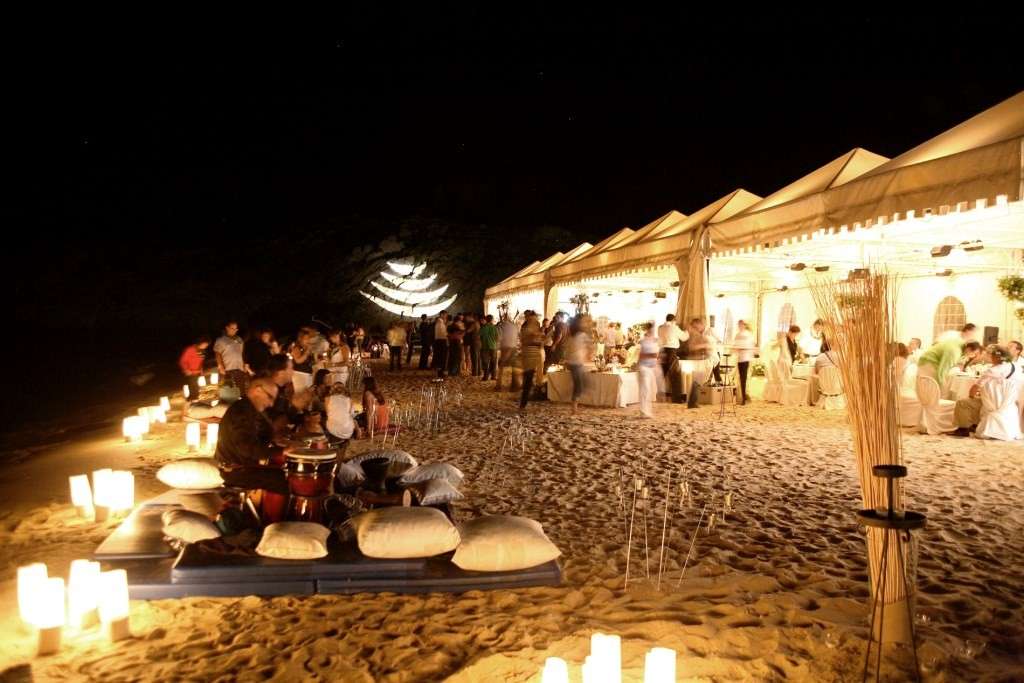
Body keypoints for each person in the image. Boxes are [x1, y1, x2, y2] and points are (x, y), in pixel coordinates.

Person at [214, 377, 288, 494]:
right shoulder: (241, 412)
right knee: (285, 479)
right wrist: (282, 451)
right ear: (258, 390)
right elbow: (248, 449)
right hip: (234, 471)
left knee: (282, 471)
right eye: (270, 397)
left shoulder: (247, 408)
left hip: (240, 467)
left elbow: (255, 439)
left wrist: (275, 438)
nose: (271, 403)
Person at [952, 345, 1017, 436]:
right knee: (979, 399)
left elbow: (975, 388)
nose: (989, 357)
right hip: (1007, 404)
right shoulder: (1013, 366)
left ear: (996, 357)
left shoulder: (992, 371)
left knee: (963, 402)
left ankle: (963, 429)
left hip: (991, 404)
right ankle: (975, 424)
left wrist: (972, 396)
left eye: (991, 355)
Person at [657, 314, 688, 403]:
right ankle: (677, 399)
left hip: (662, 352)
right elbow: (684, 337)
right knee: (675, 375)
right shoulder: (674, 328)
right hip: (671, 353)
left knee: (662, 375)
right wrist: (687, 330)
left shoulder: (660, 328)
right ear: (674, 320)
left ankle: (658, 396)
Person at [565, 316, 593, 415]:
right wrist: (589, 354)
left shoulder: (572, 335)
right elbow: (590, 345)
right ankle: (574, 407)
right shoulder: (581, 335)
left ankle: (574, 406)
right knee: (580, 385)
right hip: (576, 362)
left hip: (573, 362)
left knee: (580, 384)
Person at [518, 311, 545, 412]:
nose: (534, 320)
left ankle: (525, 401)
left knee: (530, 377)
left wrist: (539, 338)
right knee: (528, 378)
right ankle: (523, 402)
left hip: (534, 354)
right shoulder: (526, 328)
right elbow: (525, 340)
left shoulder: (534, 327)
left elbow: (539, 341)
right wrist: (536, 337)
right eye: (532, 318)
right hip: (529, 354)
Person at [684, 318, 712, 409]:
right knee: (696, 382)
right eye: (701, 325)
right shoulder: (694, 335)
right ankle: (692, 403)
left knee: (697, 382)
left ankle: (693, 402)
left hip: (700, 360)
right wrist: (704, 345)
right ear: (697, 325)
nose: (702, 327)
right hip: (697, 360)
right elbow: (692, 347)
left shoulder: (698, 335)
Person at [215, 321, 247, 392]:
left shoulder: (239, 339)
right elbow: (217, 353)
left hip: (239, 367)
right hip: (227, 368)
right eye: (232, 328)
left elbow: (241, 353)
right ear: (227, 328)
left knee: (241, 387)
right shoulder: (221, 340)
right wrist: (220, 366)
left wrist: (244, 364)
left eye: (236, 329)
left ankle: (241, 400)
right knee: (226, 388)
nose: (234, 330)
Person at [637, 322, 660, 418]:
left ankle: (646, 411)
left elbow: (657, 354)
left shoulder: (654, 340)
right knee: (645, 389)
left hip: (651, 367)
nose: (653, 331)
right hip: (643, 367)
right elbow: (641, 355)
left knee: (649, 390)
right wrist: (652, 355)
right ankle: (643, 411)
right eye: (652, 329)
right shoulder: (643, 341)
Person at [179, 336, 210, 403]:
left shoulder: (202, 351)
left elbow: (201, 362)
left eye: (207, 345)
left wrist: (201, 370)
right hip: (190, 372)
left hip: (197, 372)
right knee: (193, 389)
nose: (206, 346)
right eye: (205, 344)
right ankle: (189, 404)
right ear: (200, 342)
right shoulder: (190, 349)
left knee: (196, 388)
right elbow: (182, 361)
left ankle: (193, 402)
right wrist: (186, 370)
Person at [731, 320, 755, 405]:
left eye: (741, 324)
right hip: (740, 358)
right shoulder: (737, 335)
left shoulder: (748, 334)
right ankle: (742, 397)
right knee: (741, 377)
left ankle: (744, 398)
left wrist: (741, 348)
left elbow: (750, 346)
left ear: (744, 325)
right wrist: (734, 349)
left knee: (744, 378)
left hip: (746, 358)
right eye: (739, 325)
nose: (740, 326)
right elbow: (735, 345)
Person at [496, 311, 519, 391]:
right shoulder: (514, 326)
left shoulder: (501, 326)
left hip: (505, 348)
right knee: (514, 367)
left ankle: (498, 386)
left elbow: (499, 337)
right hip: (514, 348)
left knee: (501, 367)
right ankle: (514, 386)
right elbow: (517, 337)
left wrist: (498, 347)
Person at [479, 314, 499, 381]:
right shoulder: (494, 328)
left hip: (485, 347)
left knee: (485, 363)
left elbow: (479, 336)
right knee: (493, 362)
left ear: (486, 320)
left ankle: (485, 377)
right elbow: (498, 338)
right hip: (493, 347)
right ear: (492, 319)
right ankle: (493, 376)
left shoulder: (483, 328)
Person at [433, 312, 449, 378]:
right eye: (445, 315)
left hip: (440, 340)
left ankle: (441, 372)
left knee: (441, 357)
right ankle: (440, 373)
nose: (446, 316)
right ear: (442, 315)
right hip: (441, 341)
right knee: (441, 357)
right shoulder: (440, 322)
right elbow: (443, 333)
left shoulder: (441, 322)